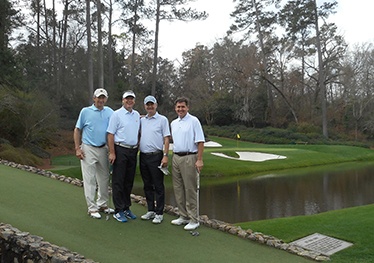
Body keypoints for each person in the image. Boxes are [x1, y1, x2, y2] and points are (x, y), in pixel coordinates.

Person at [74, 88, 114, 219]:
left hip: (103, 148)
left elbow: (121, 120)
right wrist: (77, 149)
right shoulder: (85, 111)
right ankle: (92, 208)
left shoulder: (109, 112)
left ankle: (102, 204)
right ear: (94, 98)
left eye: (103, 98)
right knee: (90, 179)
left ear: (106, 99)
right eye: (99, 97)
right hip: (88, 148)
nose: (101, 100)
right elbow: (77, 130)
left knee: (104, 178)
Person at [170, 97, 204, 230]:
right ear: (175, 108)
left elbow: (200, 141)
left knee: (190, 189)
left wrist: (199, 159)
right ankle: (183, 216)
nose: (180, 109)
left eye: (183, 107)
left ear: (187, 107)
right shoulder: (173, 123)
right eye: (178, 107)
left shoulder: (194, 121)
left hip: (190, 157)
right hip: (176, 157)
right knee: (178, 189)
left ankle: (194, 219)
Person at [107, 90, 140, 223]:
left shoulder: (136, 114)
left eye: (131, 99)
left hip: (133, 151)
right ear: (123, 100)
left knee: (129, 181)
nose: (129, 101)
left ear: (134, 101)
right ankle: (118, 210)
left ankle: (126, 207)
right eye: (127, 99)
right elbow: (110, 134)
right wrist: (112, 152)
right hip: (120, 149)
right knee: (118, 181)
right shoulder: (116, 115)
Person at [139, 95, 170, 224]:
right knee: (147, 185)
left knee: (158, 185)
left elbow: (166, 138)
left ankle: (159, 212)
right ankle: (150, 209)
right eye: (147, 105)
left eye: (152, 104)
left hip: (156, 156)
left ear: (156, 105)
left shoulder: (162, 120)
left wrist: (165, 155)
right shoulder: (142, 120)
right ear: (145, 106)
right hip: (143, 156)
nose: (150, 107)